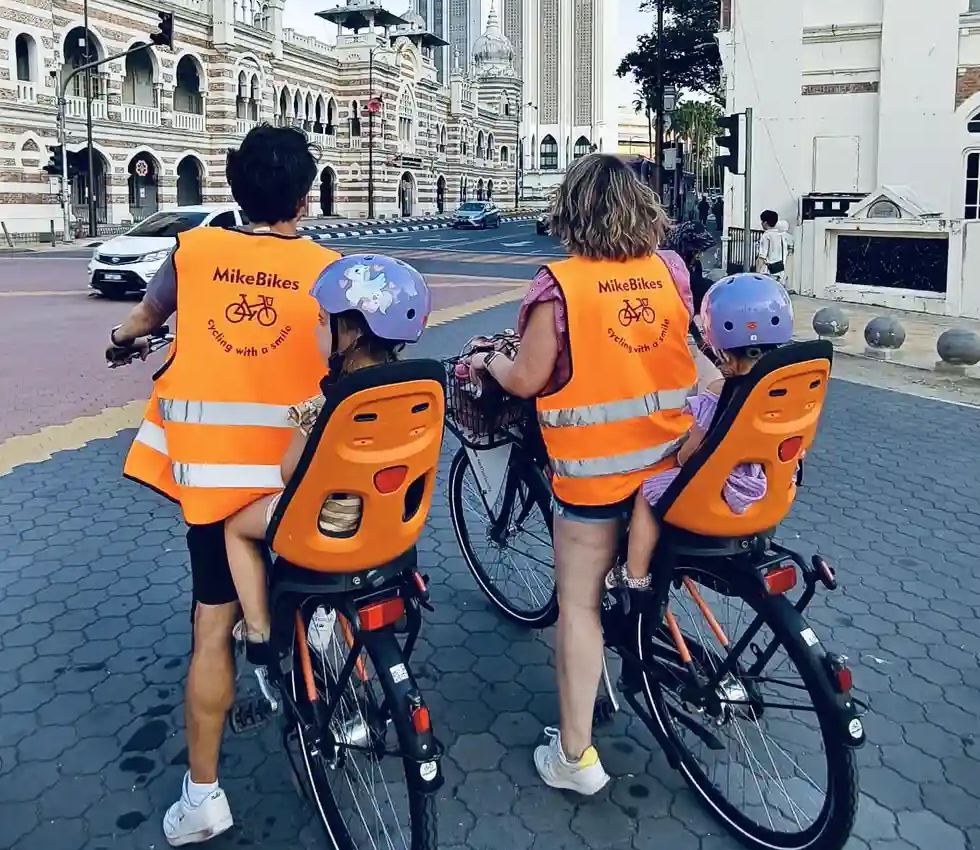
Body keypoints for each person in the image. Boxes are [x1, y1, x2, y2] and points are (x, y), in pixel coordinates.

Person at [113, 124, 339, 846]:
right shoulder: (332, 269)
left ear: (236, 188)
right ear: (304, 201)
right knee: (327, 585)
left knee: (211, 627)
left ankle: (204, 797)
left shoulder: (196, 251)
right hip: (303, 479)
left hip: (216, 486)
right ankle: (347, 702)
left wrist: (123, 341)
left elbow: (147, 318)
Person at [475, 155, 696, 796]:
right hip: (675, 465)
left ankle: (575, 758)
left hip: (598, 481)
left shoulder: (559, 286)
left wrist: (491, 363)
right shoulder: (670, 270)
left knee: (578, 606)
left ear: (572, 211)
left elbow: (528, 379)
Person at [223, 254, 431, 679]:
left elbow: (288, 472)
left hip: (327, 529)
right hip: (391, 527)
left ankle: (260, 631)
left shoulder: (325, 407)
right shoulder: (416, 393)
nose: (317, 330)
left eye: (322, 321)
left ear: (350, 332)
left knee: (235, 527)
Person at [610, 275, 793, 591]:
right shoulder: (788, 392)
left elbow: (689, 454)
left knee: (647, 491)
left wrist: (678, 451)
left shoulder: (718, 396)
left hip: (719, 492)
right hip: (770, 487)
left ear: (720, 349)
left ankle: (635, 574)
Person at [754, 209, 792, 284]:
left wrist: (757, 274)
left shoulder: (766, 236)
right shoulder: (781, 236)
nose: (761, 223)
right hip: (780, 271)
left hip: (767, 272)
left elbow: (762, 256)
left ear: (765, 223)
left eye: (762, 221)